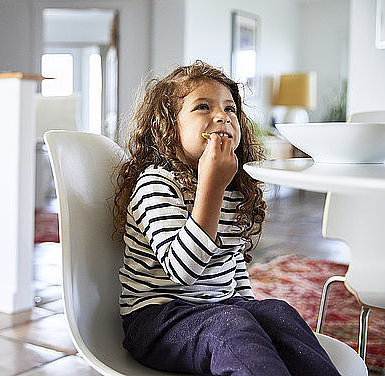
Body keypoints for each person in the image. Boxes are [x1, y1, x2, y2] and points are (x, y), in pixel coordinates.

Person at [113, 61, 340, 376]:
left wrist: (255, 311)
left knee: (276, 311)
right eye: (203, 107)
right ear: (167, 126)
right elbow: (183, 271)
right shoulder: (156, 183)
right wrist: (211, 188)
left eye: (230, 108)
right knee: (232, 324)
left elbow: (234, 267)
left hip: (220, 309)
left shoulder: (231, 185)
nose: (221, 115)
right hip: (158, 320)